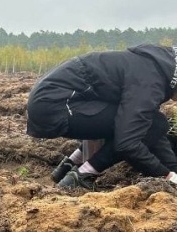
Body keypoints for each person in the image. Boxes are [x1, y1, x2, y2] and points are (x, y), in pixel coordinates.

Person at [27, 44, 177, 190]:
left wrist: (173, 169)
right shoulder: (150, 80)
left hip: (49, 101)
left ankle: (69, 166)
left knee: (147, 122)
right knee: (150, 125)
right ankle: (82, 175)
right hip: (56, 104)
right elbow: (127, 144)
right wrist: (166, 176)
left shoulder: (153, 67)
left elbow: (148, 125)